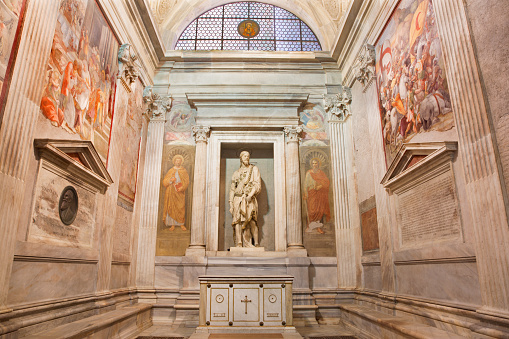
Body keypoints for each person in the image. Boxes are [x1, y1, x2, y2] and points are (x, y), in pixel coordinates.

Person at [229, 151, 261, 247]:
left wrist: (250, 195)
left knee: (252, 220)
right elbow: (232, 189)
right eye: (245, 156)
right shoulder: (236, 173)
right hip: (237, 199)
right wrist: (231, 204)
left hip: (249, 198)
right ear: (241, 158)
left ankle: (256, 243)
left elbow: (257, 184)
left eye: (248, 156)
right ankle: (239, 242)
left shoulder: (254, 169)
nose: (247, 158)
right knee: (237, 221)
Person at [162, 154, 189, 231]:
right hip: (171, 191)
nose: (178, 162)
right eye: (177, 161)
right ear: (174, 161)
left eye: (179, 161)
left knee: (180, 207)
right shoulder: (171, 170)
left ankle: (181, 224)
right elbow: (164, 182)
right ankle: (172, 224)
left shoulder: (183, 171)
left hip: (179, 191)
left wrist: (182, 187)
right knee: (171, 207)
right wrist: (171, 180)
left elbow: (186, 181)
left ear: (181, 162)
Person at [303, 158, 330, 234]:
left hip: (320, 194)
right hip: (311, 193)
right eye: (313, 163)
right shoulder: (309, 173)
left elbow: (327, 182)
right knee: (311, 210)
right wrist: (305, 193)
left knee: (319, 211)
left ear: (318, 164)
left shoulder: (321, 173)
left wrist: (320, 186)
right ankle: (309, 226)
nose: (314, 165)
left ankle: (318, 227)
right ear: (311, 164)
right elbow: (305, 184)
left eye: (316, 163)